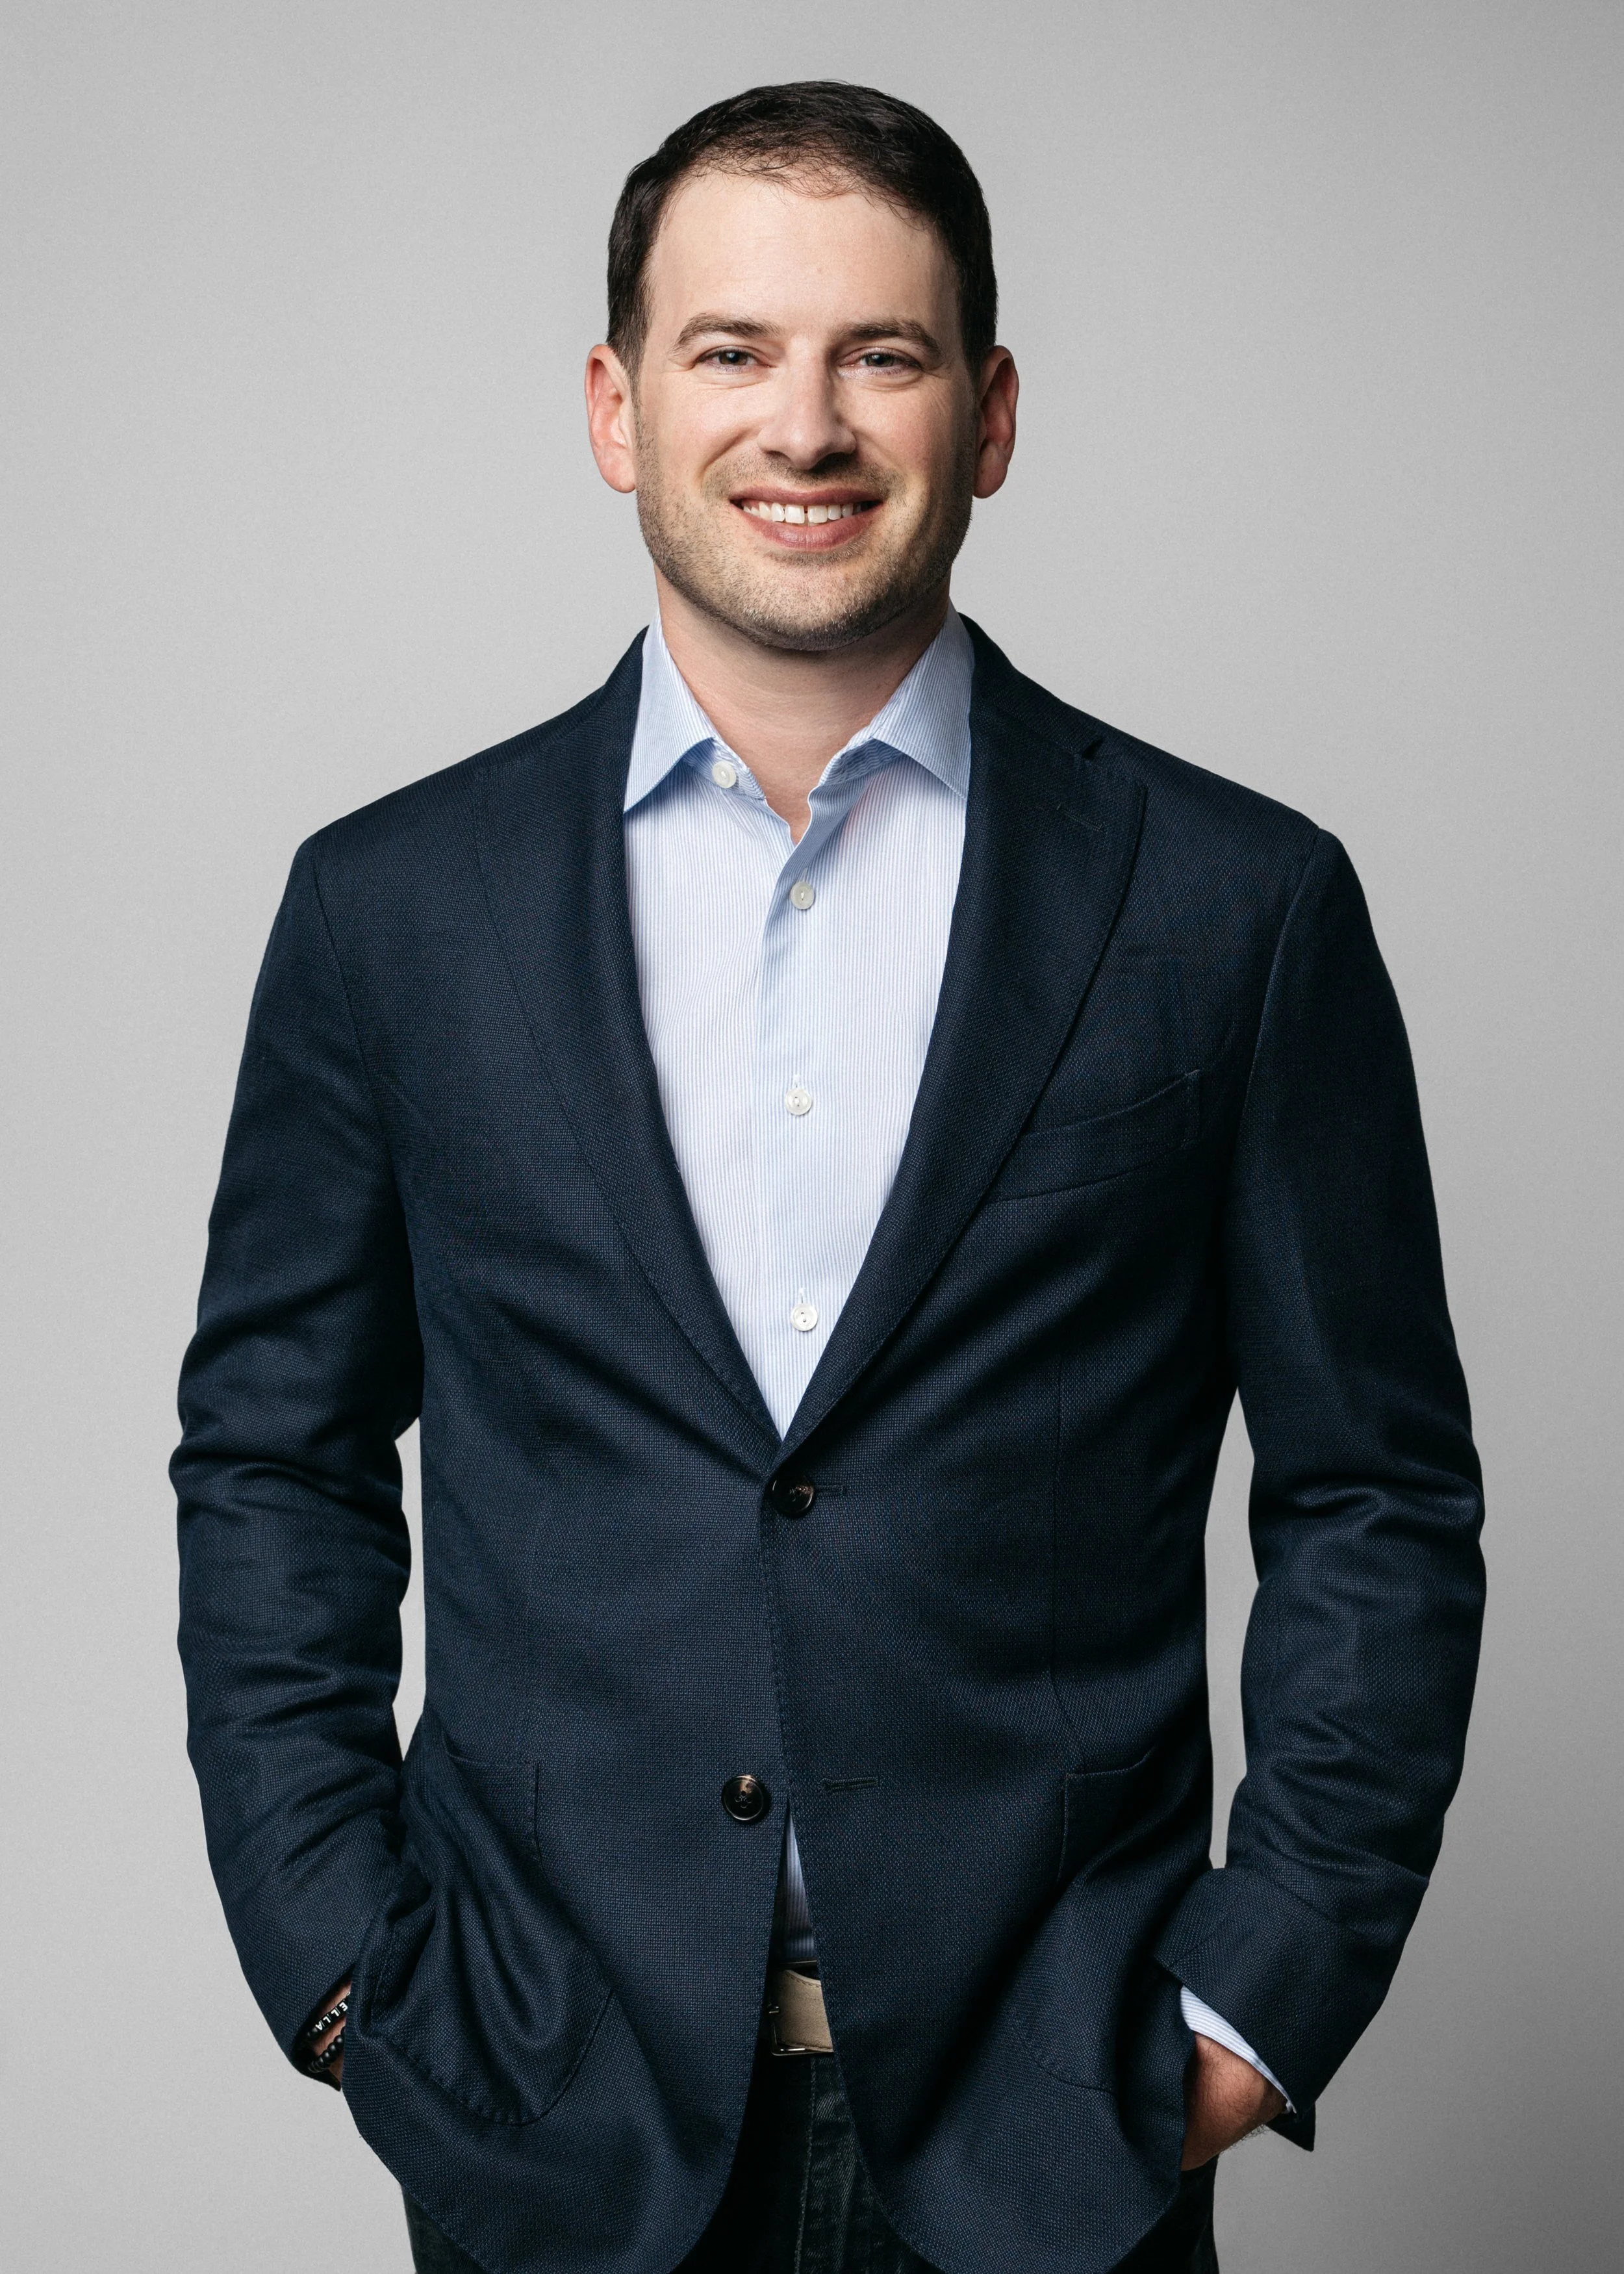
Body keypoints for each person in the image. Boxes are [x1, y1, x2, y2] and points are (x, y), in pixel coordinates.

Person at [174, 81, 1485, 2274]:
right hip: (542, 2106)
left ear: (983, 415)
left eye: (878, 355)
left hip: (1057, 2122)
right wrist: (333, 1949)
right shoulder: (392, 910)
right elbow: (271, 1459)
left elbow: (1374, 1492)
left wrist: (1270, 1984)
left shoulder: (1235, 907)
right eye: (730, 353)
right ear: (615, 407)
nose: (807, 424)